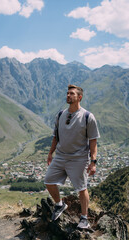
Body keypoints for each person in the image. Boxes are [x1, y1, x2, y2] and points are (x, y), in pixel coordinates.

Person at [44, 84, 100, 229]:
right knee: (49, 181)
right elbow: (55, 136)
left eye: (72, 94)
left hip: (78, 158)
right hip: (61, 156)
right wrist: (51, 153)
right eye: (67, 93)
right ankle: (59, 204)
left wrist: (93, 162)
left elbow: (93, 141)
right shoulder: (60, 114)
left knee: (81, 188)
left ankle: (84, 218)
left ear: (79, 97)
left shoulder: (88, 117)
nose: (68, 96)